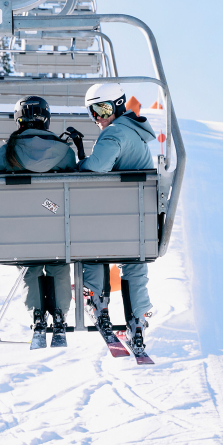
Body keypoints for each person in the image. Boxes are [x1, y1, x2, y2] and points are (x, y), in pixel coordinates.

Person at [0, 96, 84, 340]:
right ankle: (60, 313)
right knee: (58, 265)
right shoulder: (64, 151)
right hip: (54, 218)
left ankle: (37, 315)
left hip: (21, 224)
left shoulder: (8, 151)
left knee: (30, 267)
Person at [77, 83, 157, 349]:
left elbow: (98, 167)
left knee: (92, 244)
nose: (98, 117)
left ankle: (96, 301)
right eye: (93, 111)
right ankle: (137, 319)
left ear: (119, 105)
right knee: (134, 262)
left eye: (103, 108)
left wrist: (79, 163)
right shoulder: (133, 132)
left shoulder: (114, 133)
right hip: (139, 220)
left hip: (118, 219)